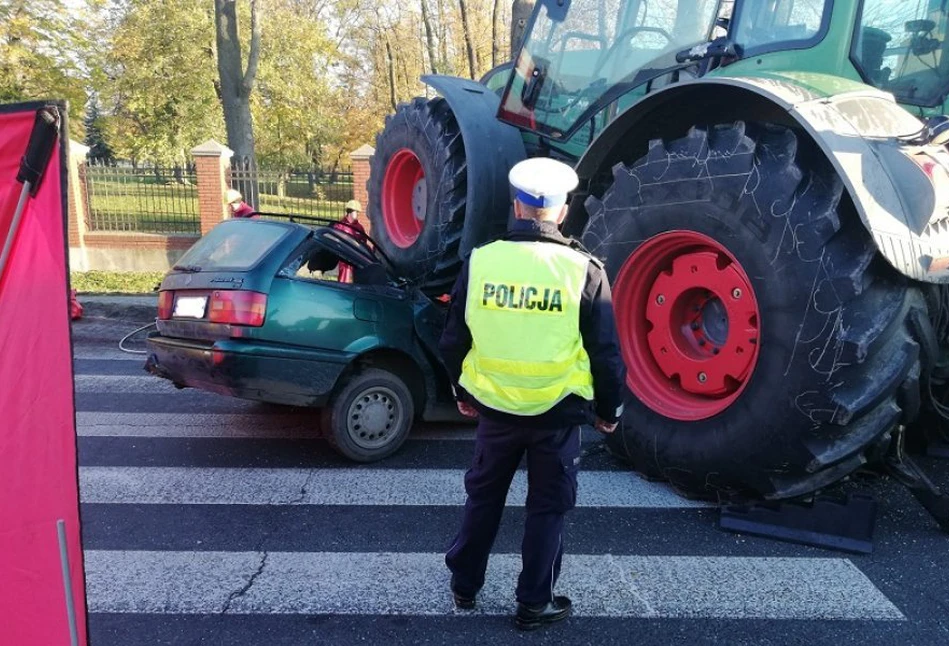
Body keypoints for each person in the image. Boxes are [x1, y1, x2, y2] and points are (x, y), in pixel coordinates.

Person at [438, 157, 626, 631]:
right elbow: (604, 352)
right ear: (561, 213)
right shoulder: (584, 270)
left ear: (518, 206)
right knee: (547, 508)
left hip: (496, 410)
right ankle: (533, 603)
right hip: (557, 417)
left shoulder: (481, 261)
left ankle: (464, 585)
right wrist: (609, 410)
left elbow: (454, 339)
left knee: (483, 498)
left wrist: (462, 390)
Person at [332, 200, 369, 283]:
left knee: (357, 277)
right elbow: (334, 239)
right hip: (344, 256)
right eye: (356, 212)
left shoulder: (359, 227)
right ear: (350, 212)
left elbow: (364, 241)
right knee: (344, 277)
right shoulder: (340, 225)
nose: (357, 214)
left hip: (356, 256)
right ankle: (342, 289)